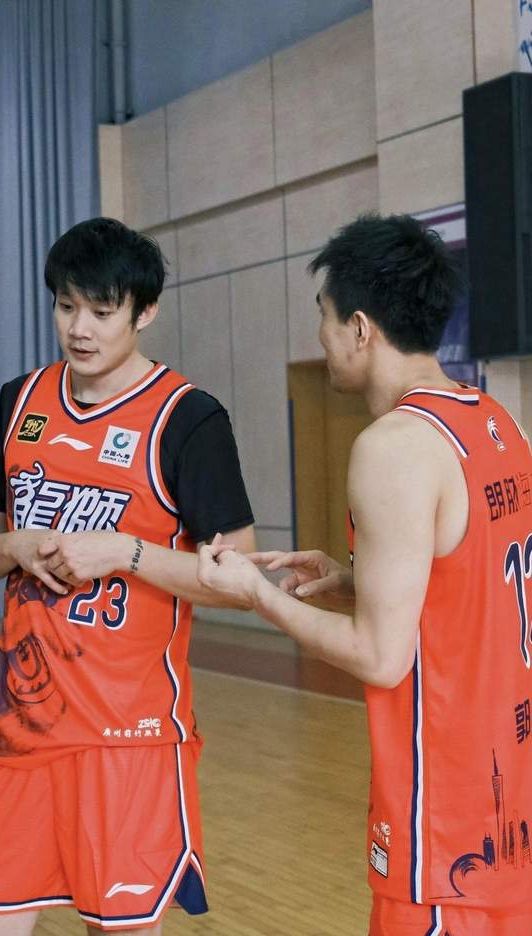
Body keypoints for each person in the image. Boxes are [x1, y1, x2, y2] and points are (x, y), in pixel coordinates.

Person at [197, 213, 532, 935]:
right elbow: (474, 578)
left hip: (444, 831)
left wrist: (256, 594)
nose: (319, 337)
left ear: (359, 327)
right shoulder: (499, 423)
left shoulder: (394, 446)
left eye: (322, 316)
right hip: (511, 813)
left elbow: (380, 657)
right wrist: (357, 578)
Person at [0, 217, 255, 936]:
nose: (78, 328)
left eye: (100, 310)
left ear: (144, 312)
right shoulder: (19, 403)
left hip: (131, 740)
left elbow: (240, 578)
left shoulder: (188, 419)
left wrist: (123, 552)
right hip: (19, 731)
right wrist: (15, 545)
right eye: (66, 306)